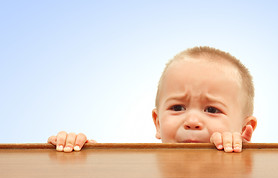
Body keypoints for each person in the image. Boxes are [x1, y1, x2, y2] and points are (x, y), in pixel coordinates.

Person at [48, 46, 257, 153]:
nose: (192, 121)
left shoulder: (251, 176)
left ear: (245, 129)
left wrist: (242, 154)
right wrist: (81, 154)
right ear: (157, 122)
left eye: (211, 110)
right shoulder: (144, 173)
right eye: (177, 107)